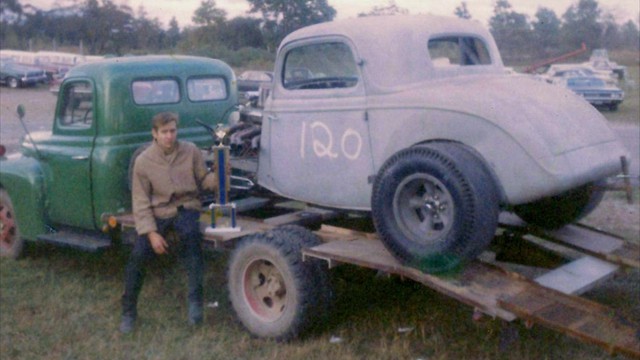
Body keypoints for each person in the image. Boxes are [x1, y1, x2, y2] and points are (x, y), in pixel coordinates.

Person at [120, 112, 217, 334]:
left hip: (186, 208)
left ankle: (195, 305)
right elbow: (141, 201)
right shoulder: (143, 161)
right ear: (155, 134)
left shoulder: (190, 151)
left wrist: (220, 173)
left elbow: (203, 179)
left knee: (192, 243)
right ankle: (128, 312)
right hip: (158, 213)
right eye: (164, 132)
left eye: (173, 131)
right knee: (138, 257)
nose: (169, 136)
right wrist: (151, 233)